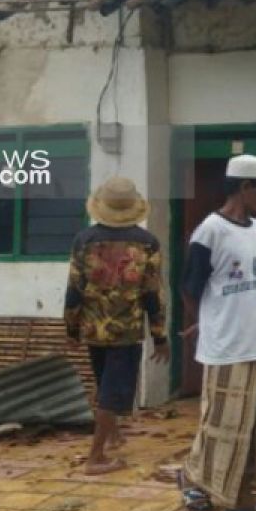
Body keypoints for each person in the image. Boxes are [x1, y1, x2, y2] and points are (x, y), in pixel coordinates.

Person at [179, 154, 256, 511]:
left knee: (254, 427)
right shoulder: (210, 232)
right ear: (245, 188)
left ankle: (244, 495)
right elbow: (190, 288)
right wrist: (203, 322)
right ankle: (193, 482)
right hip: (226, 347)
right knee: (220, 423)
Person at [64, 177, 170, 475]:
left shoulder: (83, 241)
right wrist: (160, 336)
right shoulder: (147, 243)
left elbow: (74, 289)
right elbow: (152, 292)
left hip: (94, 329)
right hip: (126, 331)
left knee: (104, 386)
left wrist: (71, 329)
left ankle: (113, 436)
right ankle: (95, 458)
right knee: (112, 392)